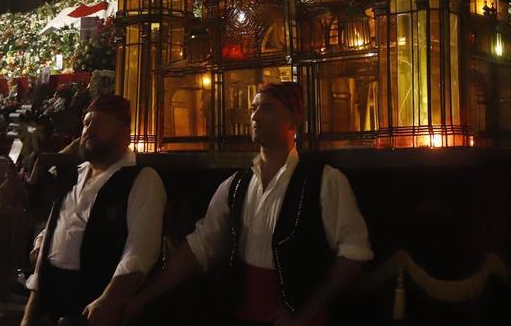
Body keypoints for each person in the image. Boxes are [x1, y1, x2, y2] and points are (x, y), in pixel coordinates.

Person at [128, 82, 372, 326]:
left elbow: (354, 255)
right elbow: (202, 244)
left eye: (267, 108)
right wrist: (145, 296)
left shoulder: (325, 181)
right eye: (253, 108)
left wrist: (302, 311)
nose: (255, 115)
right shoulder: (235, 185)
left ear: (294, 120)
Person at [21, 94, 166, 326]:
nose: (88, 130)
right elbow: (49, 240)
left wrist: (109, 300)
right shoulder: (71, 176)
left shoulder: (142, 179)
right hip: (52, 302)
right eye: (87, 123)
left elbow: (140, 253)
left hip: (93, 307)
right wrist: (30, 312)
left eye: (99, 123)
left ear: (123, 131)